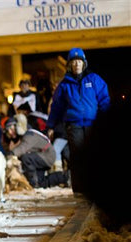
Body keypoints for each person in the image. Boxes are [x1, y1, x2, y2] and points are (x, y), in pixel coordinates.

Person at [46, 47, 110, 195]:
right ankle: (80, 191)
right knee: (78, 158)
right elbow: (57, 107)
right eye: (73, 62)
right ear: (69, 65)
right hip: (74, 126)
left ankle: (98, 188)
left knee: (96, 155)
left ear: (84, 63)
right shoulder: (64, 85)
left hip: (93, 124)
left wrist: (105, 119)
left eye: (79, 61)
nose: (76, 64)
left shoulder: (93, 79)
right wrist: (50, 125)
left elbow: (104, 100)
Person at [4, 115, 68, 189]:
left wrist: (10, 154)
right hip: (41, 156)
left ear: (18, 126)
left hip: (47, 155)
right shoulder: (25, 135)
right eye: (8, 130)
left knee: (26, 158)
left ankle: (33, 183)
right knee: (41, 183)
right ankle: (64, 178)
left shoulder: (29, 135)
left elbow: (22, 149)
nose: (10, 132)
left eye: (11, 129)